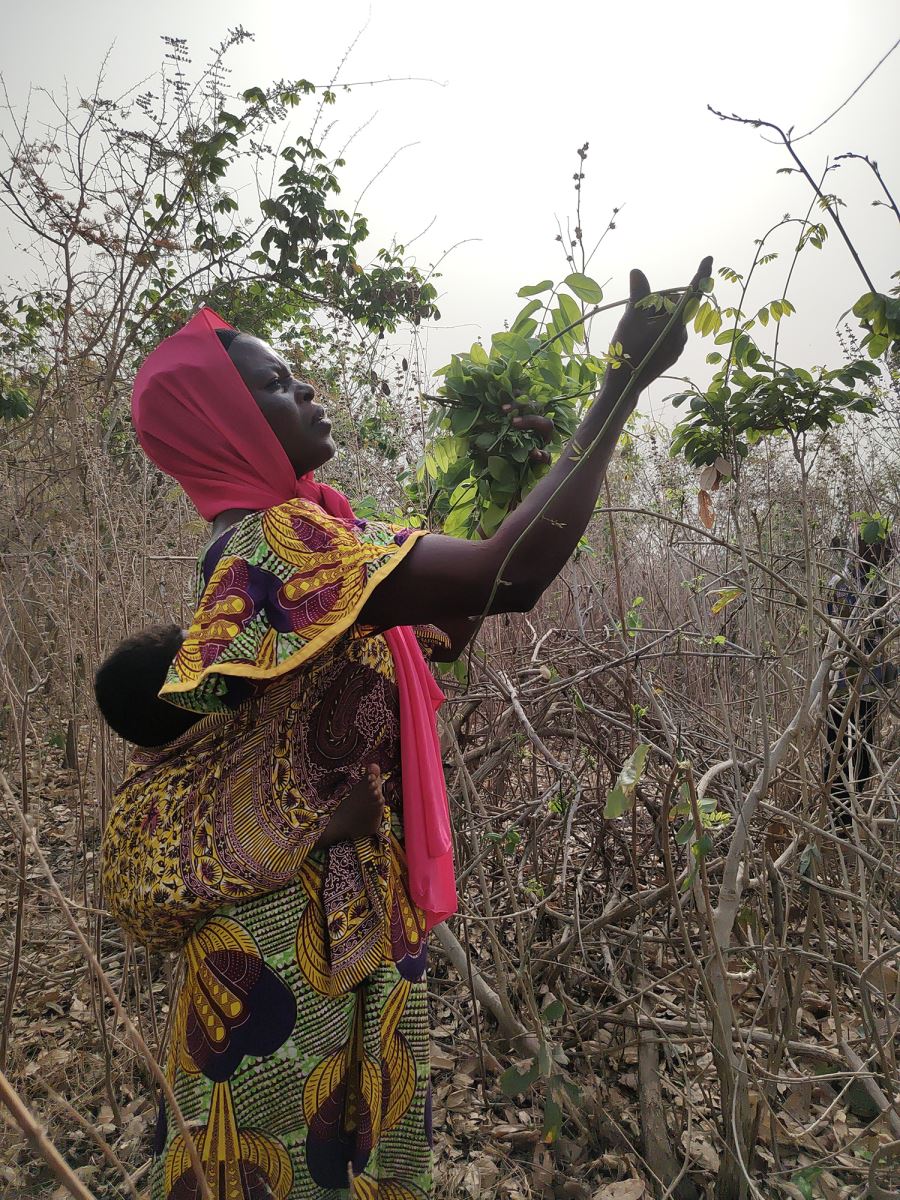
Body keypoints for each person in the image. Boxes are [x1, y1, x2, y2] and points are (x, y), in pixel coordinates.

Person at [101, 257, 710, 1200]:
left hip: (330, 918)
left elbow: (455, 619)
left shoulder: (307, 536)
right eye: (273, 383)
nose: (304, 387)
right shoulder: (278, 544)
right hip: (281, 942)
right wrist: (619, 389)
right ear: (226, 423)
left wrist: (497, 477)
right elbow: (507, 579)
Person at [824, 529, 896, 822]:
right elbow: (843, 624)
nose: (886, 558)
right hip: (841, 685)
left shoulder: (881, 585)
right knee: (838, 752)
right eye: (883, 551)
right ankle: (837, 820)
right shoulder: (840, 582)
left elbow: (886, 629)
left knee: (863, 754)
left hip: (870, 685)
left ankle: (851, 818)